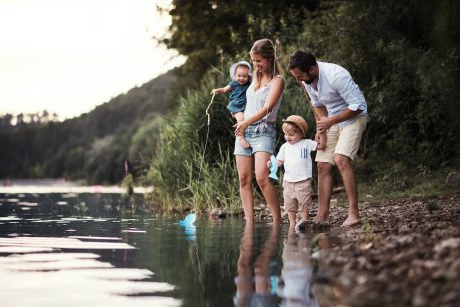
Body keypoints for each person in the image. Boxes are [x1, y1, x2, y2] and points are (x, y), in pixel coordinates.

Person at [288, 50, 368, 227]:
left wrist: (330, 121)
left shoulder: (336, 75)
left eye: (300, 76)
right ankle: (321, 218)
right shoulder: (308, 80)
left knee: (340, 159)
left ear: (312, 69)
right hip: (332, 119)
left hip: (354, 118)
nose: (298, 80)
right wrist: (321, 130)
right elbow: (318, 106)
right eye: (295, 77)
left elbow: (358, 106)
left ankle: (354, 214)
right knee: (323, 164)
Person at [234, 38, 284, 225]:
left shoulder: (278, 81)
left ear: (270, 58)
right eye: (254, 61)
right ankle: (249, 223)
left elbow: (267, 109)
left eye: (259, 61)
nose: (256, 65)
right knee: (244, 179)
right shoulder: (253, 76)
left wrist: (246, 122)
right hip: (244, 131)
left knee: (262, 178)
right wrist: (239, 118)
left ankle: (278, 221)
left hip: (263, 131)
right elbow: (237, 95)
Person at [268, 115, 317, 230]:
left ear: (300, 133)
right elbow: (279, 161)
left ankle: (304, 220)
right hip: (288, 181)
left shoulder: (307, 143)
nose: (287, 137)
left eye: (291, 135)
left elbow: (319, 145)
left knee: (304, 203)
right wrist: (272, 164)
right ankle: (292, 223)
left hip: (303, 180)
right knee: (289, 204)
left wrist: (321, 134)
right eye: (286, 134)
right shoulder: (285, 147)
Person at [211, 61, 252, 148]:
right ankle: (240, 137)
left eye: (244, 76)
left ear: (249, 76)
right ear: (235, 75)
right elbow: (225, 89)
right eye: (239, 76)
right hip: (236, 106)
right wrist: (218, 90)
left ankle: (247, 135)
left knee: (247, 119)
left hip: (245, 106)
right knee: (241, 119)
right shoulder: (234, 83)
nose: (241, 78)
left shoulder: (249, 84)